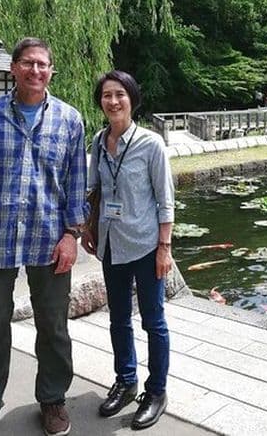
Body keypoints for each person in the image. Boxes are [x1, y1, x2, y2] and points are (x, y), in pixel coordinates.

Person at [0, 37, 86, 436]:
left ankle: (53, 399)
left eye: (43, 64)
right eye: (28, 63)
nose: (36, 71)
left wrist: (71, 234)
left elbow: (75, 183)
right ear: (13, 68)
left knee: (54, 325)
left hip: (49, 237)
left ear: (51, 71)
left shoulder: (69, 119)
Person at [81, 70, 174, 430]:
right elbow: (94, 189)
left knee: (154, 321)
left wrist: (164, 248)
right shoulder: (97, 142)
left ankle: (156, 391)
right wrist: (90, 228)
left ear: (132, 99)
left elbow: (165, 202)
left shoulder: (151, 144)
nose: (113, 101)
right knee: (118, 319)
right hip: (111, 245)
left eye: (120, 94)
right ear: (101, 102)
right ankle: (126, 379)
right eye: (107, 95)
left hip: (147, 245)